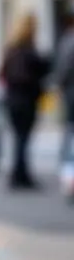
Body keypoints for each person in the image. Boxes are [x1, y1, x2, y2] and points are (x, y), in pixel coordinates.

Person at [0, 13, 50, 190]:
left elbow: (3, 73)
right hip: (25, 100)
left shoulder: (11, 50)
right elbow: (41, 70)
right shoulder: (29, 51)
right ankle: (20, 175)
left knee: (19, 138)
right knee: (23, 138)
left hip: (13, 99)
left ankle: (19, 173)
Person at [52, 14, 74, 165]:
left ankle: (66, 161)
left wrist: (59, 85)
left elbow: (63, 68)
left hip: (71, 90)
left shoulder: (69, 40)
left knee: (70, 125)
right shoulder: (69, 40)